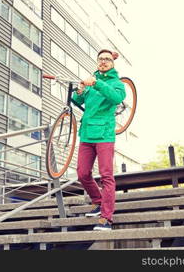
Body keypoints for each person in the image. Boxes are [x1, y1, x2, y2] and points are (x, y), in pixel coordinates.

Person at [72, 49, 126, 231]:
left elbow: (116, 98)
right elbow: (76, 100)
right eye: (101, 59)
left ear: (112, 63)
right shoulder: (90, 81)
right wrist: (79, 91)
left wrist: (96, 83)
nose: (103, 61)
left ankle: (106, 217)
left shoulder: (116, 83)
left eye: (107, 59)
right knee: (82, 173)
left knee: (106, 175)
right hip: (86, 133)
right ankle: (98, 201)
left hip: (104, 134)